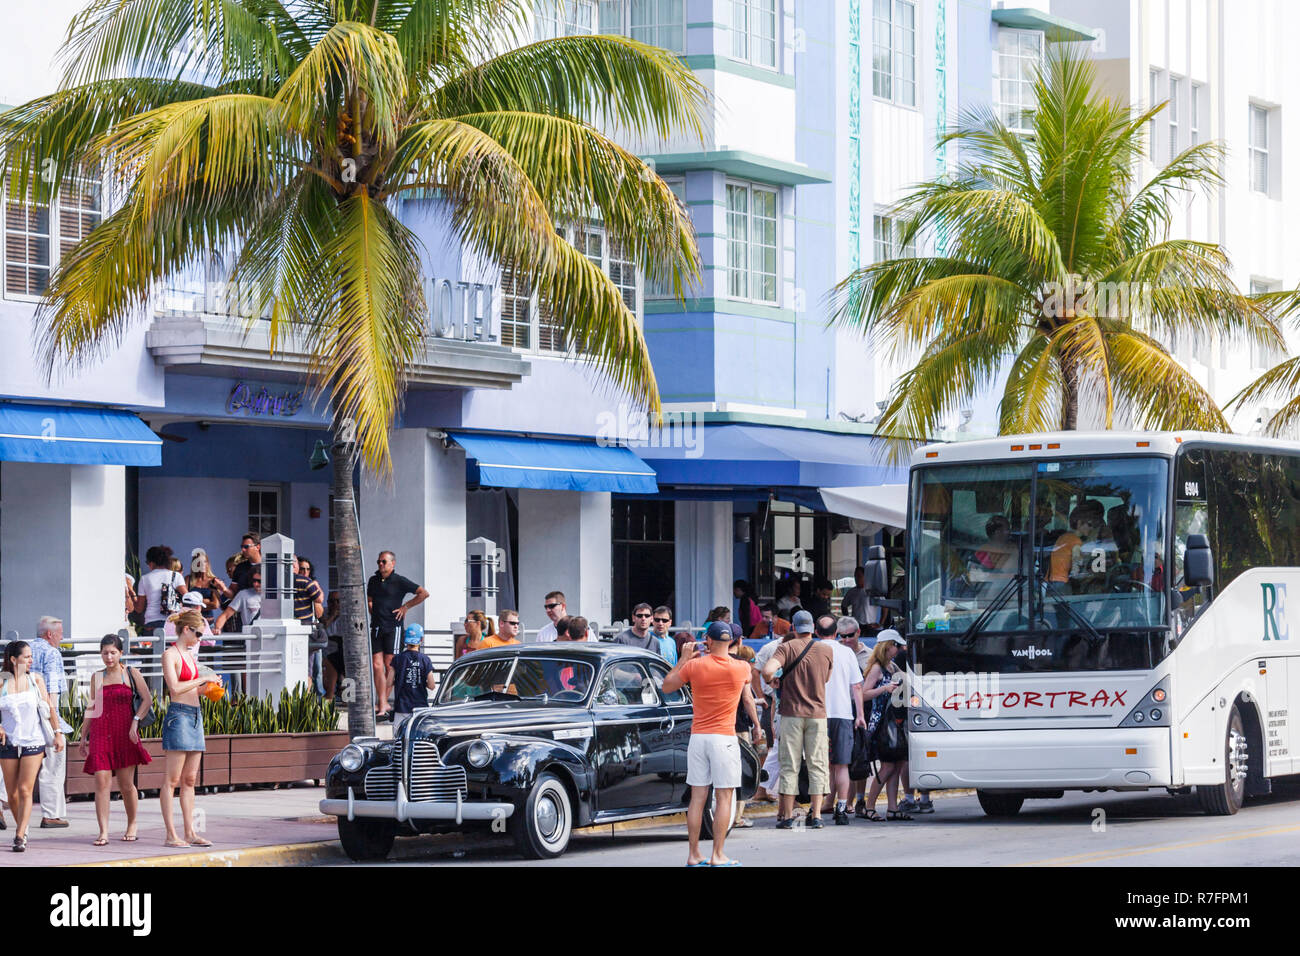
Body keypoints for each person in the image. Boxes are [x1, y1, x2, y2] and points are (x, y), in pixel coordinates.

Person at [662, 622, 760, 867]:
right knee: (725, 796)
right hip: (725, 737)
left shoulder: (695, 666)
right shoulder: (741, 668)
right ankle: (718, 854)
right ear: (732, 641)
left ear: (708, 640)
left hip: (699, 736)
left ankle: (694, 853)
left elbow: (667, 686)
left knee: (697, 797)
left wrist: (683, 659)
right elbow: (747, 695)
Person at [760, 609, 834, 829]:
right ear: (813, 628)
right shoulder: (826, 649)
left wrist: (773, 680)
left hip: (791, 714)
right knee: (818, 763)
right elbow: (827, 678)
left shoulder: (786, 647)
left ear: (793, 627)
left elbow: (766, 670)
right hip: (818, 714)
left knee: (789, 764)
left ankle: (789, 816)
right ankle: (818, 815)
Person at [80, 635, 153, 846]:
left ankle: (132, 823)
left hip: (125, 732)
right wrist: (84, 737)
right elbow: (92, 708)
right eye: (105, 653)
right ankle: (103, 831)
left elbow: (147, 700)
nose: (109, 657)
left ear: (121, 653)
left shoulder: (130, 673)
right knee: (101, 782)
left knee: (126, 784)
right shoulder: (97, 676)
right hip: (101, 732)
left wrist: (135, 722)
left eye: (113, 652)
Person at [160, 609, 220, 848]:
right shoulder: (170, 654)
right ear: (186, 630)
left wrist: (209, 688)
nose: (199, 638)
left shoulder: (188, 654)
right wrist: (203, 680)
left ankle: (190, 832)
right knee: (172, 779)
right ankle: (170, 834)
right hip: (179, 717)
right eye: (197, 633)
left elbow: (191, 689)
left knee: (190, 779)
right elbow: (174, 688)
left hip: (194, 715)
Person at [0, 640, 62, 851]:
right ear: (13, 659)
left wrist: (58, 733)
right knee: (12, 794)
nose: (30, 660)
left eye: (30, 656)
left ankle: (19, 836)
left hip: (34, 740)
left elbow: (49, 708)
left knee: (25, 789)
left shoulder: (35, 679)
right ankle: (23, 827)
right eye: (26, 657)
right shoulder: (3, 680)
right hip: (8, 741)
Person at [816, 615, 867, 825]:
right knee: (841, 765)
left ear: (816, 632)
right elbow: (857, 686)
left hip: (816, 713)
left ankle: (816, 810)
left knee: (818, 764)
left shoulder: (812, 649)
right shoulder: (846, 653)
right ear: (836, 632)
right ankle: (842, 808)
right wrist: (860, 715)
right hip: (843, 714)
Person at [366, 552, 429, 721]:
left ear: (392, 563)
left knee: (389, 665)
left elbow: (423, 593)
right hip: (377, 626)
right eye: (379, 561)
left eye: (384, 562)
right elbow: (370, 599)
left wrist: (406, 607)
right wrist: (375, 610)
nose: (381, 564)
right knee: (376, 665)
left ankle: (384, 703)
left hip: (394, 627)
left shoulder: (399, 580)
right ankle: (382, 702)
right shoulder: (373, 580)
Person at [859, 630, 909, 821]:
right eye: (896, 645)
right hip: (880, 722)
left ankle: (892, 807)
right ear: (887, 646)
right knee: (887, 766)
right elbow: (863, 693)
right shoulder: (877, 669)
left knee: (896, 765)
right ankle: (870, 806)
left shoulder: (892, 666)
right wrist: (884, 689)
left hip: (893, 721)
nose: (899, 649)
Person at [30, 616, 73, 829]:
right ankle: (51, 814)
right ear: (49, 634)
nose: (62, 637)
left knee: (14, 763)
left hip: (23, 714)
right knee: (53, 765)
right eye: (60, 633)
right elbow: (53, 690)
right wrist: (55, 725)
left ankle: (1, 805)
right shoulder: (52, 653)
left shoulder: (23, 648)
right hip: (45, 714)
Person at [387, 624, 437, 732]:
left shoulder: (397, 659)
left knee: (398, 737)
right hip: (420, 708)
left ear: (405, 640)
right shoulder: (425, 660)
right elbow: (432, 685)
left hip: (401, 707)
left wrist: (400, 680)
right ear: (421, 639)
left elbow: (388, 683)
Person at [136, 545, 187, 633]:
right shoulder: (176, 576)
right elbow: (188, 598)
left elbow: (139, 608)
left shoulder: (145, 579)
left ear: (151, 563)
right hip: (172, 622)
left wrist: (130, 596)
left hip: (151, 623)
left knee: (152, 646)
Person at [185, 549, 229, 629]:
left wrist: (196, 603)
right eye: (198, 562)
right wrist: (207, 601)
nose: (202, 564)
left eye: (204, 561)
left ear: (208, 563)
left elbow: (215, 605)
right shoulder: (188, 579)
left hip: (208, 624)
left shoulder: (214, 581)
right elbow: (185, 602)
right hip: (192, 623)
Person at [211, 567, 262, 633]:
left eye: (259, 581)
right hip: (250, 638)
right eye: (254, 581)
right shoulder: (244, 594)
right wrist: (217, 629)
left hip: (271, 638)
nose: (255, 584)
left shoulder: (276, 596)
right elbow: (225, 616)